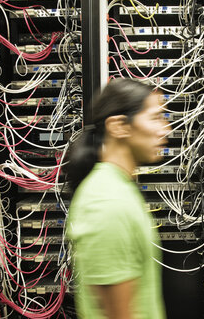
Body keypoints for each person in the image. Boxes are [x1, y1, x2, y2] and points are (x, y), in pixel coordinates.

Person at [66, 78, 170, 319]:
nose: (165, 130)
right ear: (119, 126)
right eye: (155, 118)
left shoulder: (118, 187)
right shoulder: (106, 202)